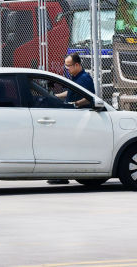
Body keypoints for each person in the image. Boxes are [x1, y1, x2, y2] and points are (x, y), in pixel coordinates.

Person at [47, 53, 96, 185]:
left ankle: (63, 175)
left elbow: (90, 97)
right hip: (72, 117)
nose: (66, 68)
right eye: (66, 66)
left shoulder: (85, 79)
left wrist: (76, 104)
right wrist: (56, 96)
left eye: (68, 66)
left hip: (80, 117)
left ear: (77, 65)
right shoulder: (75, 77)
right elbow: (71, 92)